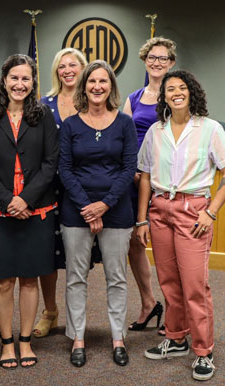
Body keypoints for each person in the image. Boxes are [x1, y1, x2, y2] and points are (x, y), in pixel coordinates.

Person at [136, 70, 225, 381]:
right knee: (169, 282)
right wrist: (142, 218)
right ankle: (176, 337)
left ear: (192, 93)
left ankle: (203, 351)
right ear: (163, 96)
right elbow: (144, 176)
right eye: (170, 89)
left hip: (193, 211)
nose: (176, 93)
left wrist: (211, 212)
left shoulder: (210, 129)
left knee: (195, 285)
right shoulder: (155, 131)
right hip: (159, 211)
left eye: (182, 88)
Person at [0, 54, 58, 369]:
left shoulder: (44, 115)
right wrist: (8, 199)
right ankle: (7, 344)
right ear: (4, 81)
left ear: (33, 83)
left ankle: (25, 341)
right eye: (14, 78)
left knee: (31, 279)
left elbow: (51, 163)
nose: (19, 84)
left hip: (36, 212)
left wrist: (27, 200)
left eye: (26, 78)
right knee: (4, 281)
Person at [59, 60, 137, 367]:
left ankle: (118, 338)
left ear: (111, 87)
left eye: (103, 82)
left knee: (116, 278)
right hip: (76, 211)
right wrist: (87, 208)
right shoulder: (70, 125)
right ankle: (77, 338)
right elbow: (64, 169)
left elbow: (128, 167)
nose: (97, 87)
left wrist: (104, 204)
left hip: (117, 211)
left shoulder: (124, 123)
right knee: (76, 278)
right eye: (92, 81)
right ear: (84, 86)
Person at [33, 47, 90, 338]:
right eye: (61, 66)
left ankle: (76, 316)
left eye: (73, 65)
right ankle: (50, 312)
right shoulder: (44, 105)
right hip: (49, 188)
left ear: (83, 69)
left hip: (84, 188)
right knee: (49, 254)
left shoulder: (93, 103)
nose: (67, 70)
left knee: (79, 256)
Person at [123, 36, 177, 334]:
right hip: (137, 180)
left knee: (169, 247)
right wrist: (133, 171)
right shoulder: (133, 98)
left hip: (169, 180)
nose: (157, 63)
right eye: (152, 58)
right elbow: (126, 138)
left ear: (171, 63)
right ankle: (148, 303)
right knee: (135, 244)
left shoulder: (178, 94)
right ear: (145, 61)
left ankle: (174, 310)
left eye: (163, 59)